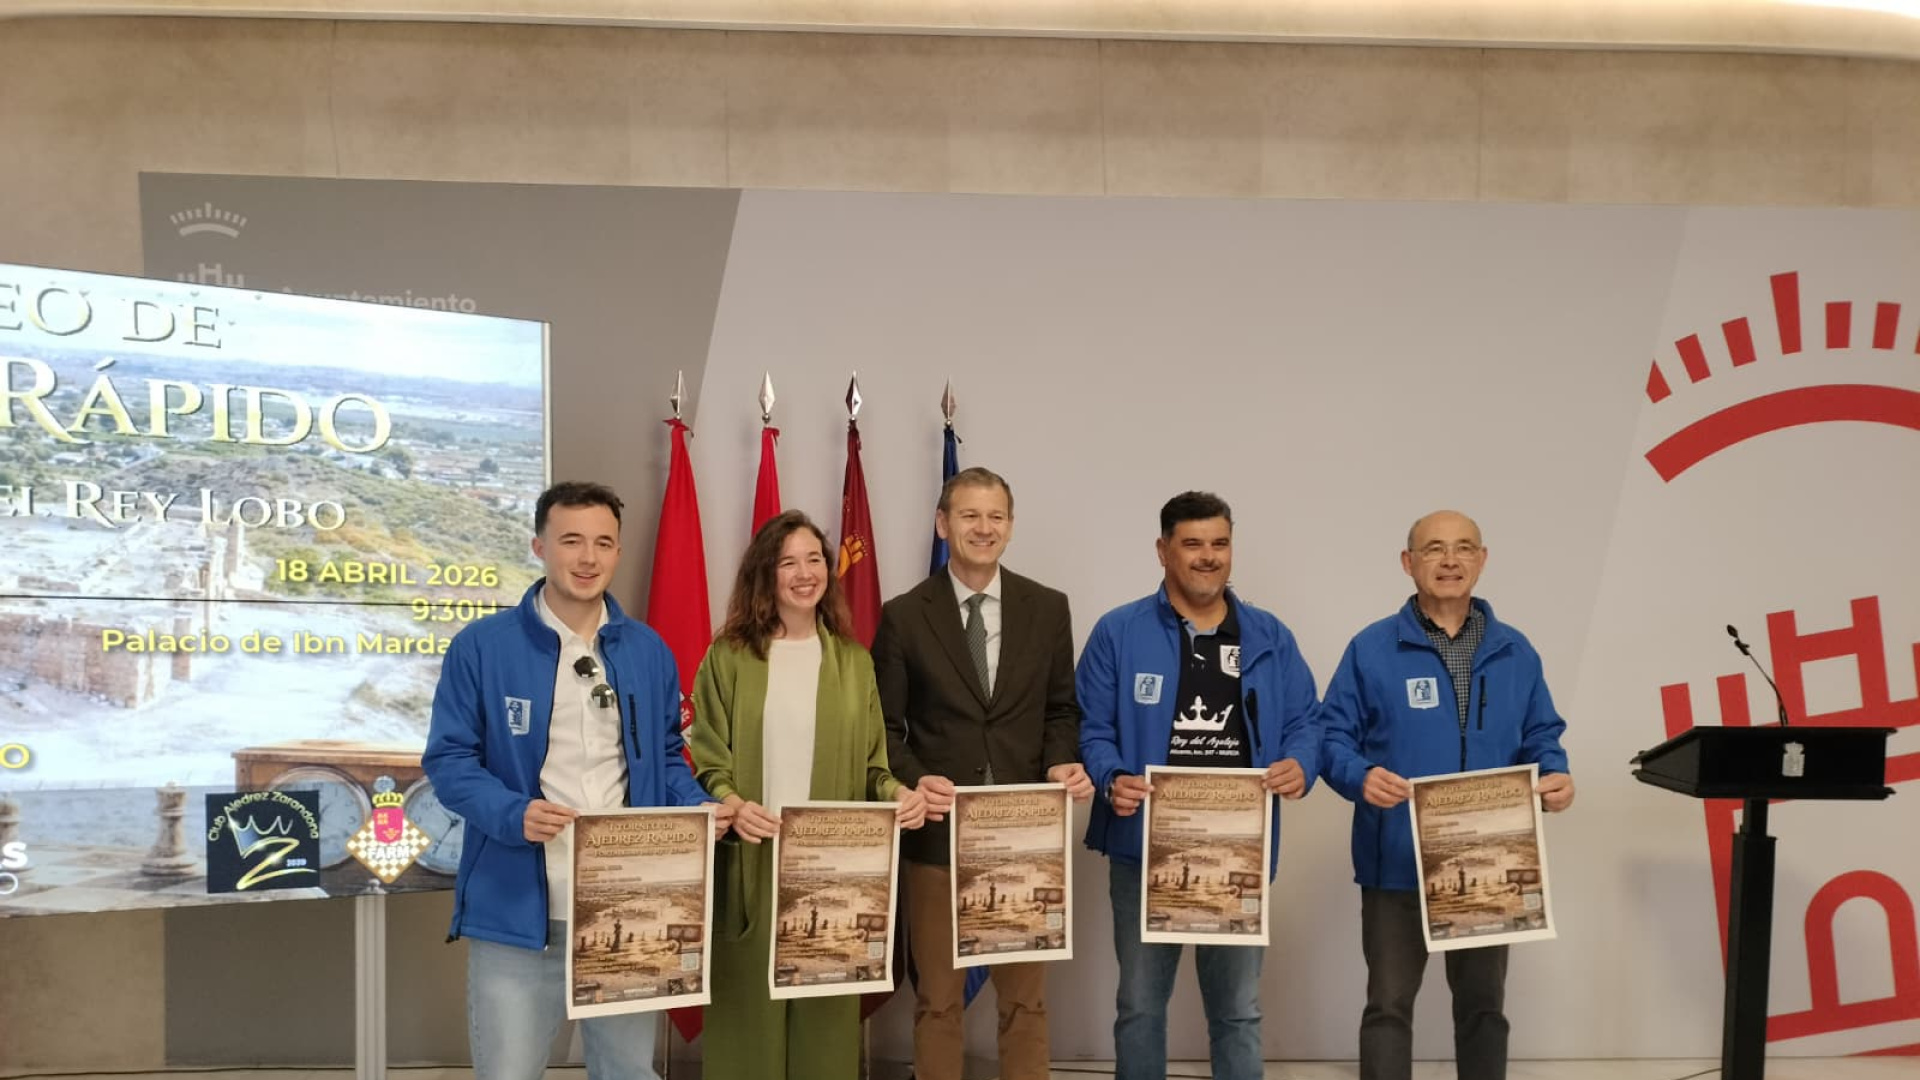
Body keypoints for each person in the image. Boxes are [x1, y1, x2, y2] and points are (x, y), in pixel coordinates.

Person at [423, 481, 727, 1080]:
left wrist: (702, 808)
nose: (588, 558)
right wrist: (515, 813)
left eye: (603, 543)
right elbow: (450, 761)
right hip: (517, 911)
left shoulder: (648, 651)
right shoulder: (482, 648)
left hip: (629, 906)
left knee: (627, 1071)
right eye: (571, 541)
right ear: (539, 546)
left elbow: (667, 759)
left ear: (618, 553)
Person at [1316, 510, 1575, 1080]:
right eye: (1434, 549)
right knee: (1388, 1005)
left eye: (1463, 548)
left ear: (1483, 560)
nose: (1450, 561)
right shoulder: (1371, 648)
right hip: (1396, 861)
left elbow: (1540, 734)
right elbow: (1330, 736)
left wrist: (1555, 773)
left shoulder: (1516, 651)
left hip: (1489, 858)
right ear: (1408, 564)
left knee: (1484, 1007)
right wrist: (1359, 776)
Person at [1077, 491, 1321, 1080]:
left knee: (1238, 1010)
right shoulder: (1119, 631)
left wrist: (1300, 764)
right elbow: (1091, 727)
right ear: (1163, 551)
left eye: (1220, 543)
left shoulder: (1269, 635)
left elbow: (1306, 722)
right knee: (1139, 1007)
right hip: (1142, 851)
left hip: (1239, 851)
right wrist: (1111, 777)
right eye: (1192, 544)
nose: (1208, 557)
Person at [688, 510, 928, 1080]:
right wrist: (730, 801)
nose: (804, 573)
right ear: (764, 574)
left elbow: (874, 767)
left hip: (831, 869)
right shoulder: (729, 658)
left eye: (814, 559)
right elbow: (704, 757)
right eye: (787, 561)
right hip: (752, 863)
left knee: (825, 1022)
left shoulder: (852, 661)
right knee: (749, 1024)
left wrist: (900, 794)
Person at [870, 466, 1091, 1080]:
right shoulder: (905, 616)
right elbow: (884, 729)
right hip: (938, 838)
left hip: (1026, 836)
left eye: (995, 517)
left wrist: (1059, 759)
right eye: (969, 515)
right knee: (938, 1001)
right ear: (943, 524)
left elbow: (1061, 709)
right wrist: (916, 780)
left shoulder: (1048, 609)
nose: (983, 528)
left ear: (1011, 527)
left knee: (1026, 1002)